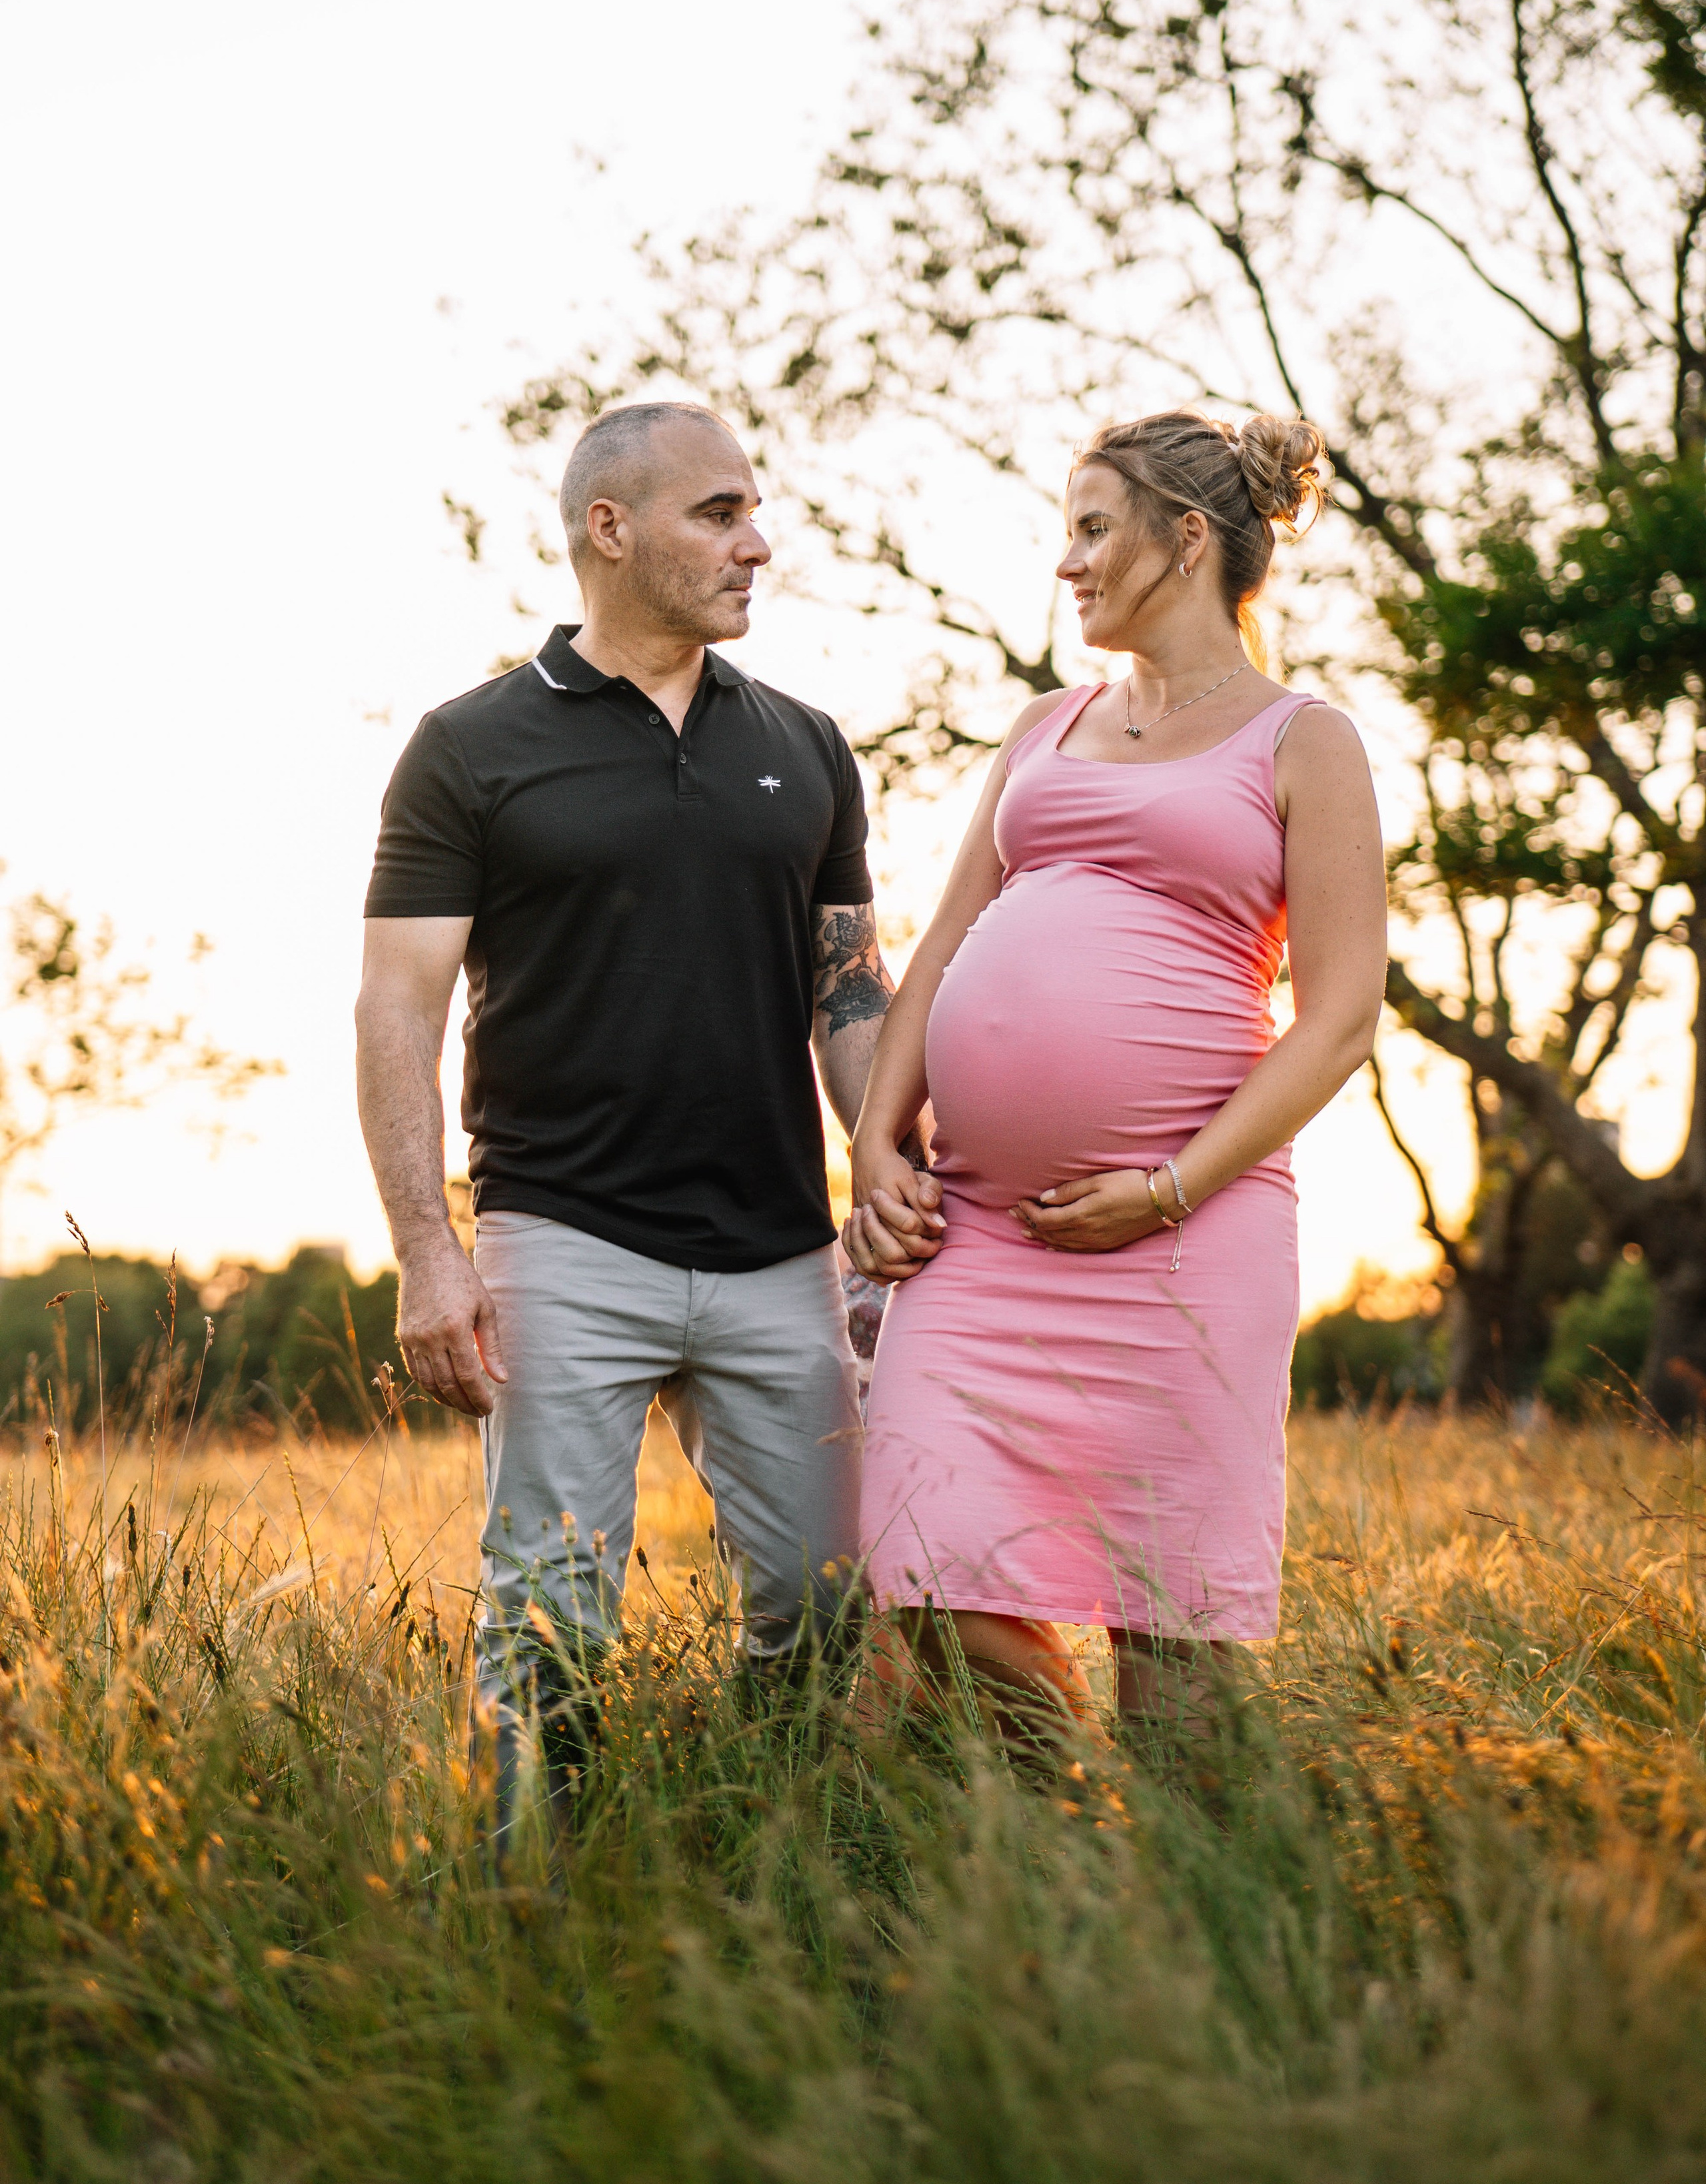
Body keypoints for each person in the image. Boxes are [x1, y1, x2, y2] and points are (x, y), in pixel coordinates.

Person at [356, 400, 938, 1820]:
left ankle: (772, 1854)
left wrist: (885, 1164)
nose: (758, 543)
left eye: (753, 512)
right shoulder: (469, 747)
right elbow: (397, 1009)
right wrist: (428, 1249)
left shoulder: (806, 746)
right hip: (563, 1242)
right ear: (608, 529)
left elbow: (849, 990)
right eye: (720, 513)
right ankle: (534, 1898)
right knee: (548, 1619)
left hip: (779, 1252)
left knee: (825, 1604)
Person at [844, 408, 1386, 1742]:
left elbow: (1338, 1021)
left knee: (1172, 1630)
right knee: (929, 1574)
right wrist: (872, 1148)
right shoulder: (1045, 727)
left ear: (1187, 538)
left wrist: (1167, 1188)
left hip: (1190, 1234)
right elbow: (942, 944)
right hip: (979, 1235)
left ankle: (1182, 1866)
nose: (1067, 562)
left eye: (1093, 528)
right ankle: (1076, 1827)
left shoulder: (1302, 741)